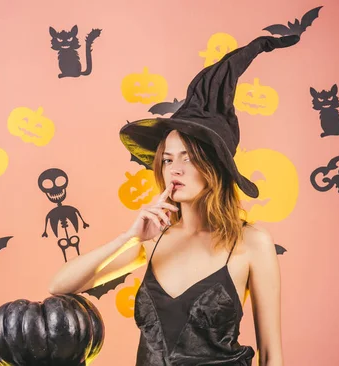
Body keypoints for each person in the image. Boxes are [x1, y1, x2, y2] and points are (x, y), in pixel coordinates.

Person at [48, 34, 300, 366]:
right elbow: (61, 286)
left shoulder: (252, 243)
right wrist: (129, 237)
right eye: (167, 159)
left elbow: (271, 355)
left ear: (214, 167)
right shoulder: (152, 242)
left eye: (187, 159)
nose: (174, 170)